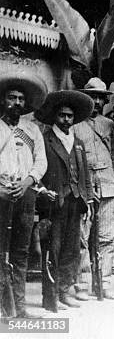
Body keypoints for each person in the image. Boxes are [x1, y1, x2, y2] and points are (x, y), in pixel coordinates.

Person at [35, 90, 95, 310]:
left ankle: (64, 291)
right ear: (55, 116)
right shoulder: (45, 140)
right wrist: (42, 191)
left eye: (70, 116)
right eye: (62, 115)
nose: (66, 119)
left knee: (71, 249)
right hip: (53, 203)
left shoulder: (77, 142)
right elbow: (37, 170)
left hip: (75, 201)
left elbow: (85, 175)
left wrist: (88, 200)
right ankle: (50, 297)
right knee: (53, 248)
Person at [0, 71, 48, 318]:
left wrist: (28, 182)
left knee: (21, 251)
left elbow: (41, 162)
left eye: (20, 99)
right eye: (11, 97)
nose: (16, 103)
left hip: (26, 194)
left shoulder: (32, 130)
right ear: (3, 100)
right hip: (0, 194)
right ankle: (3, 306)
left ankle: (19, 307)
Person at [73, 78, 114, 300]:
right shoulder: (74, 124)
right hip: (84, 184)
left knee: (107, 236)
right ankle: (81, 282)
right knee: (83, 234)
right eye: (93, 97)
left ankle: (105, 281)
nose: (97, 101)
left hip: (108, 183)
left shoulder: (108, 125)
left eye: (101, 97)